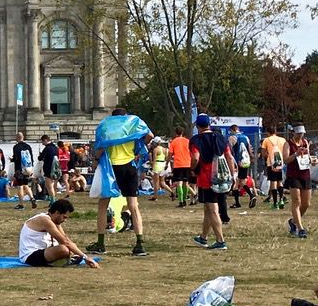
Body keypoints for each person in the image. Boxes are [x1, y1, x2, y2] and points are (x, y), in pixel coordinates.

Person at [87, 107, 153, 257]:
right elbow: (149, 135)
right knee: (133, 206)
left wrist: (96, 160)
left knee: (103, 204)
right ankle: (139, 243)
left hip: (111, 168)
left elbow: (99, 150)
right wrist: (137, 149)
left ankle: (101, 242)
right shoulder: (132, 126)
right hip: (129, 165)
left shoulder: (106, 128)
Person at [189, 113, 235, 251]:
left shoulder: (196, 140)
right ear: (209, 124)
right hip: (222, 177)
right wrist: (231, 176)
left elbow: (196, 158)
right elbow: (229, 157)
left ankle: (220, 241)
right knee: (208, 209)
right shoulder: (220, 137)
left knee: (213, 209)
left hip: (206, 178)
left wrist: (191, 168)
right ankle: (203, 238)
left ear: (198, 126)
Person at [18, 198, 99, 268]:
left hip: (43, 252)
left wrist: (79, 253)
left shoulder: (54, 221)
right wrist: (85, 257)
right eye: (64, 217)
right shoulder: (44, 220)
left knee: (70, 248)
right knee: (64, 249)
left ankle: (61, 261)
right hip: (30, 256)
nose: (64, 220)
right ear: (57, 213)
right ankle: (57, 262)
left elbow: (65, 239)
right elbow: (64, 242)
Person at [284, 125, 313, 237]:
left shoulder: (305, 142)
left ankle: (293, 221)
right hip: (293, 175)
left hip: (305, 174)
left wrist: (311, 159)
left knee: (306, 204)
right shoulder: (288, 144)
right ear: (293, 133)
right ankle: (300, 229)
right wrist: (296, 153)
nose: (300, 135)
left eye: (302, 133)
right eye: (298, 133)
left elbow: (308, 157)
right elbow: (286, 160)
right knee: (297, 201)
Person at [226, 125, 255, 210]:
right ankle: (242, 200)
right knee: (240, 181)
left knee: (237, 182)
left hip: (237, 161)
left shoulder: (232, 138)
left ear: (232, 130)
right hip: (246, 160)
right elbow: (249, 149)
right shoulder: (246, 137)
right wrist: (252, 157)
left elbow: (229, 150)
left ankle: (249, 196)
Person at [167, 126, 194, 207]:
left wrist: (167, 163)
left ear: (176, 133)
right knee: (186, 183)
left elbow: (170, 154)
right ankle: (185, 200)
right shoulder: (188, 141)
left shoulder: (173, 142)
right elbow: (192, 153)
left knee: (179, 183)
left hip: (178, 164)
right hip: (187, 164)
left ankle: (181, 201)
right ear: (182, 133)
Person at [10, 132, 36, 210]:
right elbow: (31, 157)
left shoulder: (16, 147)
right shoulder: (28, 146)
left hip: (19, 169)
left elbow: (16, 158)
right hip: (27, 168)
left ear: (17, 138)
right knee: (26, 184)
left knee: (20, 186)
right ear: (23, 137)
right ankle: (32, 198)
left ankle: (21, 204)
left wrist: (12, 159)